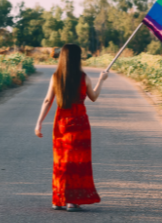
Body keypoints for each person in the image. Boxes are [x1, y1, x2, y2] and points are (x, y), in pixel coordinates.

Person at [34, 44, 109, 212]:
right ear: (77, 58)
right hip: (80, 123)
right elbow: (94, 97)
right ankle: (72, 202)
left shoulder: (56, 77)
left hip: (61, 123)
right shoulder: (84, 77)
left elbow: (47, 100)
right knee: (77, 161)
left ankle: (58, 199)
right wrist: (101, 81)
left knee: (61, 161)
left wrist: (39, 122)